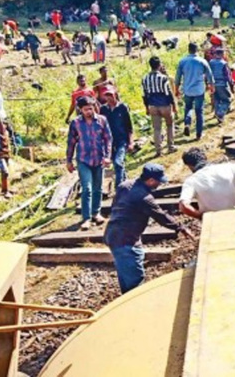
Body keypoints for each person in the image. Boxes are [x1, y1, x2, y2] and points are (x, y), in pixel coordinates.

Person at [105, 163, 193, 294]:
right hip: (125, 241)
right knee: (135, 282)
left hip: (113, 234)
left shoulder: (124, 185)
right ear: (151, 180)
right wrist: (181, 227)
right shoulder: (144, 197)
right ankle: (134, 307)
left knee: (125, 272)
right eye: (158, 182)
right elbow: (160, 215)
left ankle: (127, 299)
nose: (159, 185)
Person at [66, 97, 112, 230]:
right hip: (83, 159)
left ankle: (96, 213)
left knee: (98, 188)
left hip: (99, 159)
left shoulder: (102, 120)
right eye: (86, 109)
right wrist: (68, 160)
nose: (89, 111)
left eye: (91, 108)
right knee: (87, 188)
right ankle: (86, 218)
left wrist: (108, 156)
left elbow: (108, 139)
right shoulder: (75, 123)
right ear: (80, 110)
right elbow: (71, 143)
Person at [177, 148, 235, 218]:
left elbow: (183, 206)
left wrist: (201, 216)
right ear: (205, 158)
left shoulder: (191, 180)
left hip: (213, 223)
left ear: (189, 166)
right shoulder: (228, 167)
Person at [175, 43, 214, 141]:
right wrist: (211, 86)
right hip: (199, 90)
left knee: (188, 108)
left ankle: (187, 123)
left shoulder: (182, 61)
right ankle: (198, 134)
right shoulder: (202, 61)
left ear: (188, 50)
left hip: (187, 89)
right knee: (199, 111)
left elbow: (178, 77)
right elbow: (209, 75)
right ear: (197, 50)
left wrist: (176, 89)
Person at [142, 56, 177, 156]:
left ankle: (158, 150)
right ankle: (171, 146)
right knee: (169, 125)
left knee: (157, 128)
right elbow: (168, 93)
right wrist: (173, 105)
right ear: (159, 65)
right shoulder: (163, 78)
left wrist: (146, 107)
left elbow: (144, 95)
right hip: (164, 104)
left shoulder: (145, 78)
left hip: (152, 105)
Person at [99, 88, 133, 188]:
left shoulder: (122, 107)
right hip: (109, 141)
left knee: (118, 162)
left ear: (115, 95)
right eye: (107, 96)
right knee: (117, 164)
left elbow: (129, 126)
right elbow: (101, 126)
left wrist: (130, 142)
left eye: (111, 95)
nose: (109, 98)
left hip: (122, 140)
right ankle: (125, 184)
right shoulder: (103, 109)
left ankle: (118, 187)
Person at [209, 49, 234, 124]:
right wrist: (231, 84)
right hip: (222, 84)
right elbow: (227, 76)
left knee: (217, 100)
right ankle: (220, 114)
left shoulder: (211, 62)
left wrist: (208, 83)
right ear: (222, 54)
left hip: (213, 84)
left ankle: (218, 116)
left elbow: (208, 73)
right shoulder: (223, 63)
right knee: (227, 100)